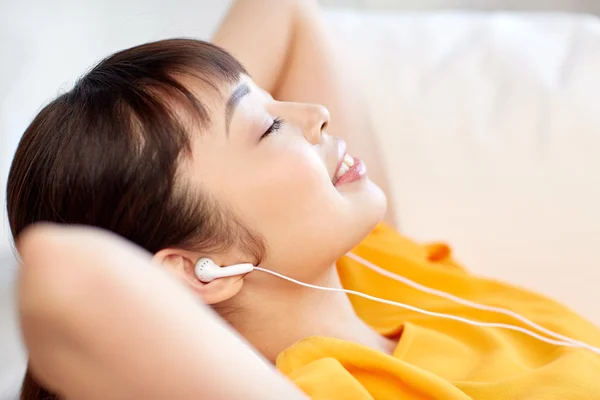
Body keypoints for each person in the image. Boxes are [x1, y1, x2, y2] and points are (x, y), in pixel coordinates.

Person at [7, 0, 600, 399]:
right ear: (197, 269)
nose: (315, 117)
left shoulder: (377, 267)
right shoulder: (320, 389)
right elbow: (65, 272)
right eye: (267, 128)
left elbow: (282, 12)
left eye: (272, 103)